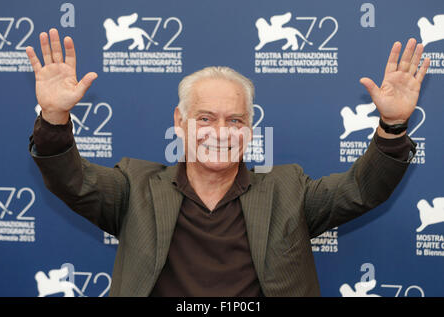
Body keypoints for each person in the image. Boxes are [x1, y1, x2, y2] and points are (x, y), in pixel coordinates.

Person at [27, 28, 430, 296]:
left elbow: (362, 189)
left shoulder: (288, 189)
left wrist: (393, 124)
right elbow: (70, 179)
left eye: (234, 120)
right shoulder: (135, 187)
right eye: (205, 119)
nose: (220, 133)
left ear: (251, 130)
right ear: (180, 123)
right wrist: (55, 118)